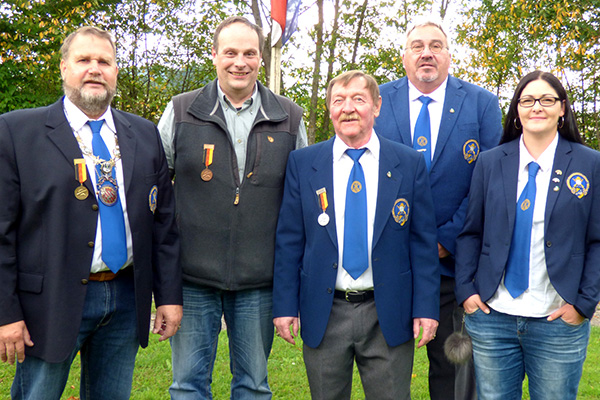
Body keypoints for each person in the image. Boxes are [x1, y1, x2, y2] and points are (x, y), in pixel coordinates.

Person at [0, 26, 182, 400]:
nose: (94, 69)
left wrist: (167, 296)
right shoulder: (18, 132)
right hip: (48, 301)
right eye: (84, 60)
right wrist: (5, 312)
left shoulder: (144, 134)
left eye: (104, 61)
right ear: (64, 68)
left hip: (126, 296)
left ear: (116, 71)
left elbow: (164, 225)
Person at [157, 16, 307, 399]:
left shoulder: (289, 116)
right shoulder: (180, 110)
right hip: (192, 279)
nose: (240, 62)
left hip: (259, 282)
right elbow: (154, 191)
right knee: (188, 385)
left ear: (261, 58)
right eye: (230, 52)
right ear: (214, 56)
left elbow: (302, 200)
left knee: (254, 386)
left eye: (249, 53)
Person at [273, 70, 440, 400]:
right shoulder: (303, 163)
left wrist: (426, 308)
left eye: (358, 99)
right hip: (325, 310)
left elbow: (422, 244)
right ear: (330, 109)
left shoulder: (408, 163)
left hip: (387, 311)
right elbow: (289, 241)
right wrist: (285, 306)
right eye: (339, 101)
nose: (348, 108)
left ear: (376, 106)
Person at [374, 19, 502, 400]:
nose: (426, 52)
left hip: (454, 267)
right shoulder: (377, 100)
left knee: (453, 377)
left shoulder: (481, 104)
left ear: (449, 54)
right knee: (386, 377)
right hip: (391, 265)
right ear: (404, 56)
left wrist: (447, 238)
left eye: (436, 45)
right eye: (417, 46)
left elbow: (490, 181)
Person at [455, 70, 600, 400]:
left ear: (562, 109)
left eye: (547, 100)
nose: (537, 106)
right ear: (517, 111)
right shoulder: (490, 163)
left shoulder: (590, 164)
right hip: (493, 318)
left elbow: (597, 241)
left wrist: (583, 303)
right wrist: (467, 291)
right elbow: (470, 233)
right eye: (528, 100)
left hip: (557, 321)